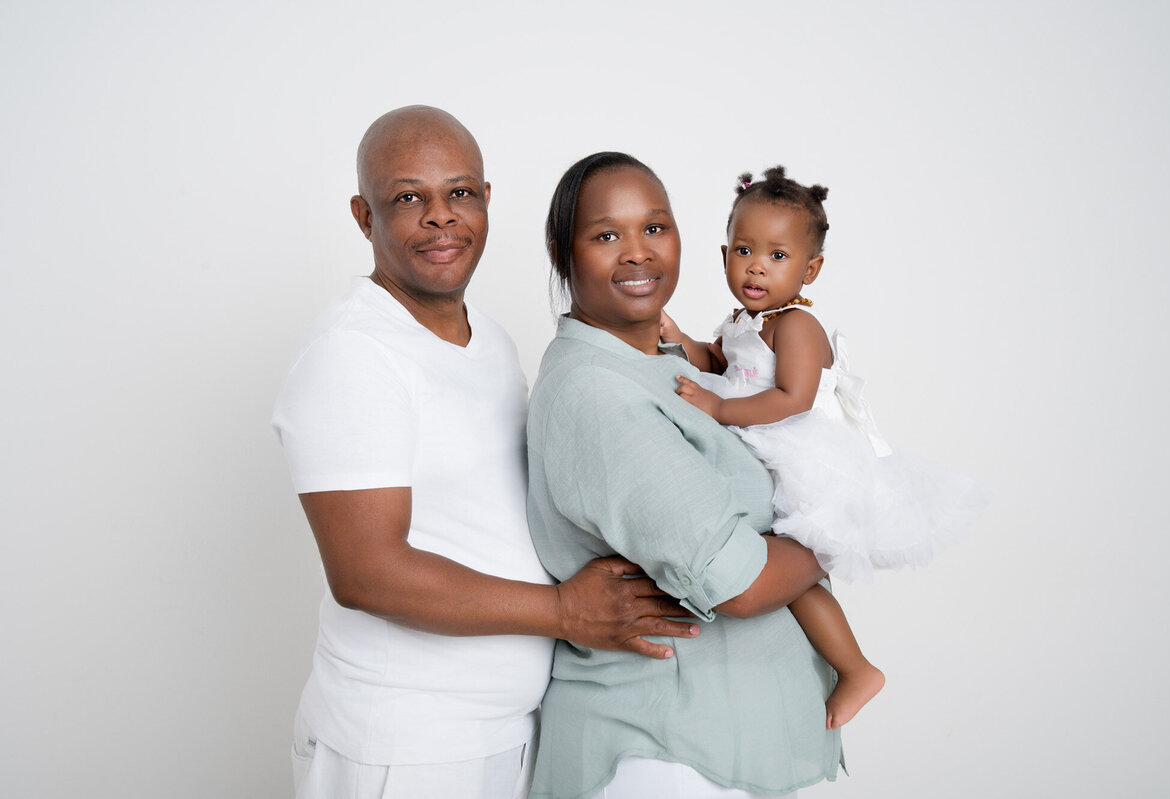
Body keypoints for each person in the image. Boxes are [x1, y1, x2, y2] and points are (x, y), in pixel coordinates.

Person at [271, 108, 699, 799]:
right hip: (404, 747)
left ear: (487, 199)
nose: (441, 216)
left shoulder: (491, 340)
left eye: (460, 192)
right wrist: (564, 611)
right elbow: (367, 572)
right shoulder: (353, 354)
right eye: (408, 197)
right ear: (364, 215)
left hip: (506, 734)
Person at [526, 152, 843, 799]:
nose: (638, 252)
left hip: (727, 740)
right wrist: (839, 525)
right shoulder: (597, 392)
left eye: (655, 227)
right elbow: (740, 582)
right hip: (667, 748)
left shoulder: (670, 365)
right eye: (606, 234)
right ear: (562, 252)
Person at [662, 166, 986, 729]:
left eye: (778, 255)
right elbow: (719, 361)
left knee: (793, 575)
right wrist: (678, 340)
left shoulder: (796, 327)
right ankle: (836, 666)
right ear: (724, 256)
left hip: (806, 455)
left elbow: (791, 399)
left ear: (809, 269)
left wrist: (717, 408)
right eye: (745, 250)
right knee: (786, 576)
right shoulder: (744, 321)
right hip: (762, 441)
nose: (757, 266)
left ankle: (856, 668)